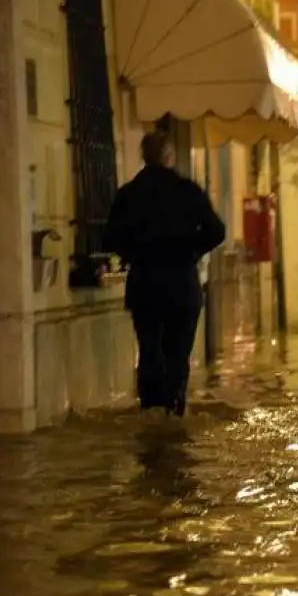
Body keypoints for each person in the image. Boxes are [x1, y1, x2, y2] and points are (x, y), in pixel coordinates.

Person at [104, 131, 226, 417]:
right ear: (169, 156)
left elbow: (109, 239)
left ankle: (151, 413)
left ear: (144, 157)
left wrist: (134, 253)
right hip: (181, 285)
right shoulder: (187, 191)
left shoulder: (128, 194)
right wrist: (192, 250)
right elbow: (217, 231)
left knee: (149, 352)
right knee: (177, 355)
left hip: (144, 285)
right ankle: (175, 411)